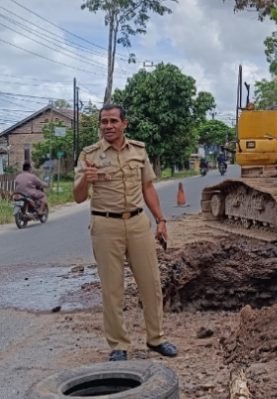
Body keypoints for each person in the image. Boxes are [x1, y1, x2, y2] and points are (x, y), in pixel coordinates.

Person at [73, 104, 177, 362]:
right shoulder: (90, 155)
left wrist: (161, 220)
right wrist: (86, 178)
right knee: (112, 288)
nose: (108, 126)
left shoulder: (138, 151)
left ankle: (156, 338)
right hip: (105, 226)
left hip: (138, 223)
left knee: (151, 284)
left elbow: (148, 187)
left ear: (124, 124)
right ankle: (118, 344)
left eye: (113, 121)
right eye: (104, 122)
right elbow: (77, 197)